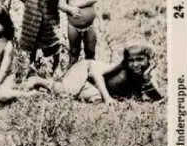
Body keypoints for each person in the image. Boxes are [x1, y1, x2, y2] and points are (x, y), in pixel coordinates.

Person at [23, 41, 164, 104]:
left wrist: (147, 80)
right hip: (86, 69)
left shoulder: (149, 73)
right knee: (67, 91)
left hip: (95, 86)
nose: (135, 64)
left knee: (90, 98)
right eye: (131, 60)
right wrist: (107, 98)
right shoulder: (122, 67)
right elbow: (96, 73)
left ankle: (43, 90)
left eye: (140, 59)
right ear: (126, 60)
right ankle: (39, 80)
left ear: (150, 59)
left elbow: (157, 98)